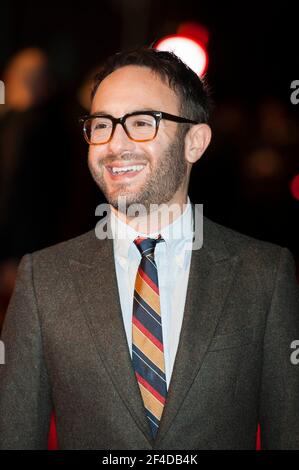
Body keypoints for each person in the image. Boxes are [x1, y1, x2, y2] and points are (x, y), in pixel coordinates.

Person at [0, 47, 298, 450]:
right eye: (101, 125)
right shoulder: (43, 279)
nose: (115, 145)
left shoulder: (264, 274)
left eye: (142, 122)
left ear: (195, 142)